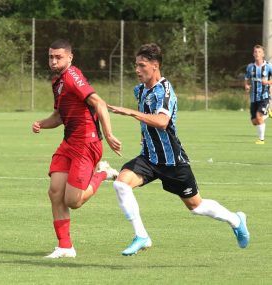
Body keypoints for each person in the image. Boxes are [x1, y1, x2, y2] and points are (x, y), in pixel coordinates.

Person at [107, 43, 250, 256]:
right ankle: (142, 236)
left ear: (155, 66)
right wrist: (143, 135)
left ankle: (236, 219)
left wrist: (129, 112)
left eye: (142, 65)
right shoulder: (140, 90)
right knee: (121, 185)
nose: (137, 70)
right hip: (149, 158)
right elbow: (148, 120)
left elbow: (163, 121)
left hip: (173, 161)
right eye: (135, 65)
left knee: (196, 206)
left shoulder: (165, 90)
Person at [32, 39, 122, 258]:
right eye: (51, 57)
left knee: (73, 201)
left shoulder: (72, 77)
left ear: (70, 58)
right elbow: (60, 116)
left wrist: (108, 134)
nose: (53, 61)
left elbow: (99, 103)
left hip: (86, 143)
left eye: (58, 57)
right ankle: (65, 247)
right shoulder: (58, 82)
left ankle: (102, 173)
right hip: (69, 142)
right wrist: (42, 124)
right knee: (55, 192)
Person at [244, 44, 272, 144]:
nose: (257, 54)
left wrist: (268, 82)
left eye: (259, 52)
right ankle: (268, 114)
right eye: (255, 52)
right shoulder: (250, 67)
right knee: (254, 121)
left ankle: (261, 139)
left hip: (264, 97)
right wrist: (247, 86)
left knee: (259, 117)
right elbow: (247, 79)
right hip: (253, 98)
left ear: (263, 54)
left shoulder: (268, 67)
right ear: (253, 54)